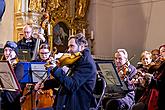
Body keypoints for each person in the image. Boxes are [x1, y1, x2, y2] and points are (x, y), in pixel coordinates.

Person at [35, 33, 97, 110]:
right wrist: (46, 84)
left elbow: (72, 85)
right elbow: (65, 80)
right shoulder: (77, 59)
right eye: (68, 46)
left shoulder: (87, 63)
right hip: (65, 104)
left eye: (72, 46)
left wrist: (55, 69)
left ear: (81, 47)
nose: (68, 50)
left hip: (75, 105)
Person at [1, 41, 24, 110]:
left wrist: (8, 66)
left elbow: (15, 80)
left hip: (13, 93)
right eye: (5, 50)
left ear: (15, 53)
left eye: (10, 50)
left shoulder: (19, 65)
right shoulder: (1, 63)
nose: (7, 53)